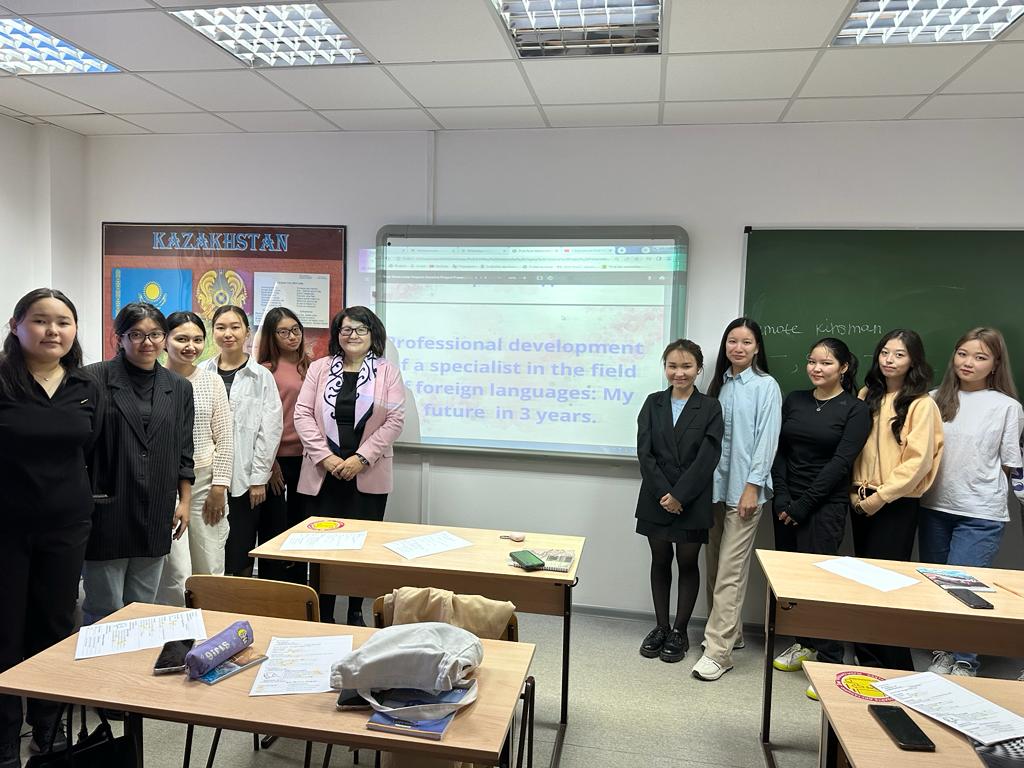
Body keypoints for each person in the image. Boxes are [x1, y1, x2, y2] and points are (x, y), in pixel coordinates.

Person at [0, 289, 103, 767]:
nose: (53, 331)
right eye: (41, 320)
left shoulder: (85, 385)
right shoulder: (3, 380)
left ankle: (47, 724)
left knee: (56, 625)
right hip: (5, 527)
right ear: (16, 325)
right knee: (5, 629)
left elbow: (90, 449)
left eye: (63, 321)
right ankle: (4, 733)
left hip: (66, 525)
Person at [771, 338, 871, 699]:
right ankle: (805, 644)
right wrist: (783, 497)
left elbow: (841, 463)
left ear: (843, 367)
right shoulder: (795, 400)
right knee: (793, 584)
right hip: (786, 502)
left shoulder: (855, 409)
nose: (816, 368)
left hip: (824, 506)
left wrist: (804, 505)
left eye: (826, 363)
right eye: (812, 361)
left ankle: (830, 659)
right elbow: (779, 451)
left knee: (822, 584)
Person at [83, 302, 194, 624]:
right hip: (107, 506)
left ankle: (135, 659)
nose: (147, 342)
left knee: (142, 608)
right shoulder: (93, 379)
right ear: (119, 337)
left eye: (155, 334)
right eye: (136, 334)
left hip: (155, 506)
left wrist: (185, 501)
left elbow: (184, 450)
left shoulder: (178, 387)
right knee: (103, 608)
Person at [294, 306, 406, 625]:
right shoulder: (320, 368)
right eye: (346, 329)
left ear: (372, 334)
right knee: (322, 549)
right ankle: (324, 613)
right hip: (323, 472)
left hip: (366, 472)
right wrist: (326, 457)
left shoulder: (387, 372)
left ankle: (355, 610)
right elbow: (302, 414)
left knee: (363, 546)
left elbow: (395, 420)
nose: (352, 335)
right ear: (337, 335)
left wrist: (361, 458)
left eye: (360, 329)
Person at [920, 328, 1021, 677]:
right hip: (934, 506)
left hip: (980, 512)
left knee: (964, 588)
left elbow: (1011, 463)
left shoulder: (1007, 407)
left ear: (995, 364)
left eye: (980, 357)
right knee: (937, 586)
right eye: (963, 354)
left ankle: (966, 660)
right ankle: (943, 653)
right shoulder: (933, 399)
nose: (968, 362)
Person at [692, 319, 781, 682]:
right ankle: (732, 633)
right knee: (715, 566)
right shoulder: (718, 385)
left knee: (731, 570)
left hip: (745, 492)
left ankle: (718, 652)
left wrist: (752, 487)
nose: (738, 348)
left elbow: (767, 440)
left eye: (746, 342)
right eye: (732, 341)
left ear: (757, 347)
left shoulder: (765, 386)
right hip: (713, 490)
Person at [851, 329, 943, 671]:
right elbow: (854, 446)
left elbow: (917, 463)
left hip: (895, 503)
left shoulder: (921, 403)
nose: (889, 360)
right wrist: (855, 493)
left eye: (899, 354)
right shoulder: (867, 395)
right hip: (860, 499)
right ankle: (867, 657)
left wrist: (881, 497)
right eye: (885, 353)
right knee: (863, 581)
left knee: (887, 584)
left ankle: (894, 665)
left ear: (913, 360)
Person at [635, 339, 723, 664]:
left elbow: (708, 456)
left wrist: (679, 495)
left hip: (692, 499)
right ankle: (660, 627)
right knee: (659, 561)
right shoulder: (653, 403)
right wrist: (664, 494)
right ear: (665, 368)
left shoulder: (710, 407)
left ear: (699, 369)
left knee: (687, 563)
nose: (679, 372)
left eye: (686, 366)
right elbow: (645, 453)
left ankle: (679, 631)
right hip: (655, 497)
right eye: (672, 366)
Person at [154, 312, 234, 606]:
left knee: (209, 564)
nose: (191, 346)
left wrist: (219, 486)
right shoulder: (152, 380)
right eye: (182, 339)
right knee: (176, 570)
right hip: (165, 483)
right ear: (165, 341)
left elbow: (224, 437)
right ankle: (177, 627)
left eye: (198, 339)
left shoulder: (212, 382)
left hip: (205, 482)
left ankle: (210, 625)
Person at [199, 305, 283, 579]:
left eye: (235, 327)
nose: (228, 333)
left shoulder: (261, 377)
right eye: (221, 327)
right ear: (213, 332)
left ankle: (237, 598)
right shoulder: (201, 372)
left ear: (247, 332)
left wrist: (259, 478)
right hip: (205, 476)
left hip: (244, 479)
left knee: (240, 546)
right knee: (208, 547)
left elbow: (269, 431)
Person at [257, 307, 313, 585]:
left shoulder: (312, 366)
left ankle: (300, 588)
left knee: (302, 526)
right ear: (272, 335)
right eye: (283, 332)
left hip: (308, 458)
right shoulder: (265, 370)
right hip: (275, 459)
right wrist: (271, 463)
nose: (292, 336)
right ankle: (272, 589)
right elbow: (259, 420)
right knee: (273, 527)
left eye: (296, 330)